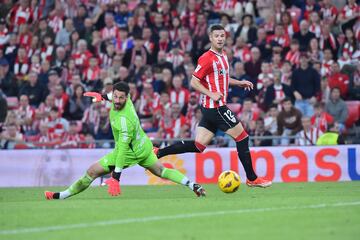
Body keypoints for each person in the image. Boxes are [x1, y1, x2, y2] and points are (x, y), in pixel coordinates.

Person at [155, 25, 272, 188]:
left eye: (222, 36)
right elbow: (194, 82)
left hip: (210, 108)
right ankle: (252, 178)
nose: (220, 39)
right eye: (216, 36)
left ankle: (159, 152)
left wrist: (239, 83)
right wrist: (211, 94)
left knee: (199, 145)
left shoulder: (223, 55)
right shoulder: (206, 58)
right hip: (216, 107)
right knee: (243, 137)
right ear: (211, 38)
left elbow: (222, 77)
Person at [45, 82, 206, 200]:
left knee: (92, 171)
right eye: (115, 96)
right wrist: (102, 96)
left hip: (130, 152)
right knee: (161, 171)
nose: (116, 100)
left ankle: (61, 196)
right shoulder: (126, 101)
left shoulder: (124, 120)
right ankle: (193, 185)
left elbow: (122, 150)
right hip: (144, 146)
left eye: (120, 98)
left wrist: (116, 177)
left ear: (127, 98)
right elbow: (112, 96)